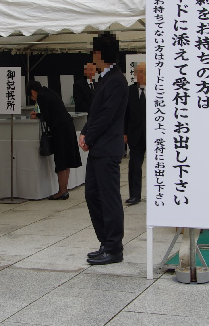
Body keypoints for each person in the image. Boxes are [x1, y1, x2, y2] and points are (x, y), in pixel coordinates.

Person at [78, 32, 128, 265]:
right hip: (99, 147)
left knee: (109, 198)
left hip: (107, 148)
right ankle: (105, 241)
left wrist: (89, 135)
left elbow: (107, 116)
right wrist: (86, 131)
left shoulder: (117, 80)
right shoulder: (104, 78)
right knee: (92, 195)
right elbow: (95, 113)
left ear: (99, 54)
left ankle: (114, 247)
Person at [28, 80, 82, 200]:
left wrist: (37, 115)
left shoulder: (41, 96)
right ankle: (65, 189)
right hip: (68, 126)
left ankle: (61, 191)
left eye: (32, 97)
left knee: (61, 159)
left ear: (32, 92)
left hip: (60, 129)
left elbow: (47, 115)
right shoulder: (49, 91)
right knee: (66, 159)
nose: (33, 99)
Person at [123, 62, 146, 205]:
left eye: (143, 72)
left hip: (154, 135)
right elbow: (125, 114)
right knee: (134, 165)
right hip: (135, 134)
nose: (141, 75)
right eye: (138, 72)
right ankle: (135, 195)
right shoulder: (130, 91)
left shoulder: (158, 89)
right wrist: (124, 132)